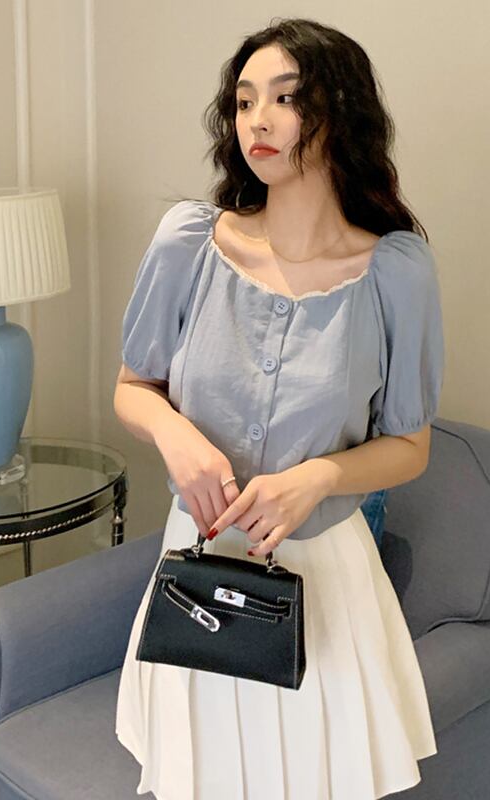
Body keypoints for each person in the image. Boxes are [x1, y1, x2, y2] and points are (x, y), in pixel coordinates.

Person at [113, 16, 445, 799]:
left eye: (285, 98)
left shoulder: (396, 272)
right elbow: (132, 388)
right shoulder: (188, 244)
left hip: (324, 581)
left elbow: (411, 446)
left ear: (340, 113)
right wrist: (176, 437)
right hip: (197, 573)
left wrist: (319, 477)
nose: (257, 120)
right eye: (244, 101)